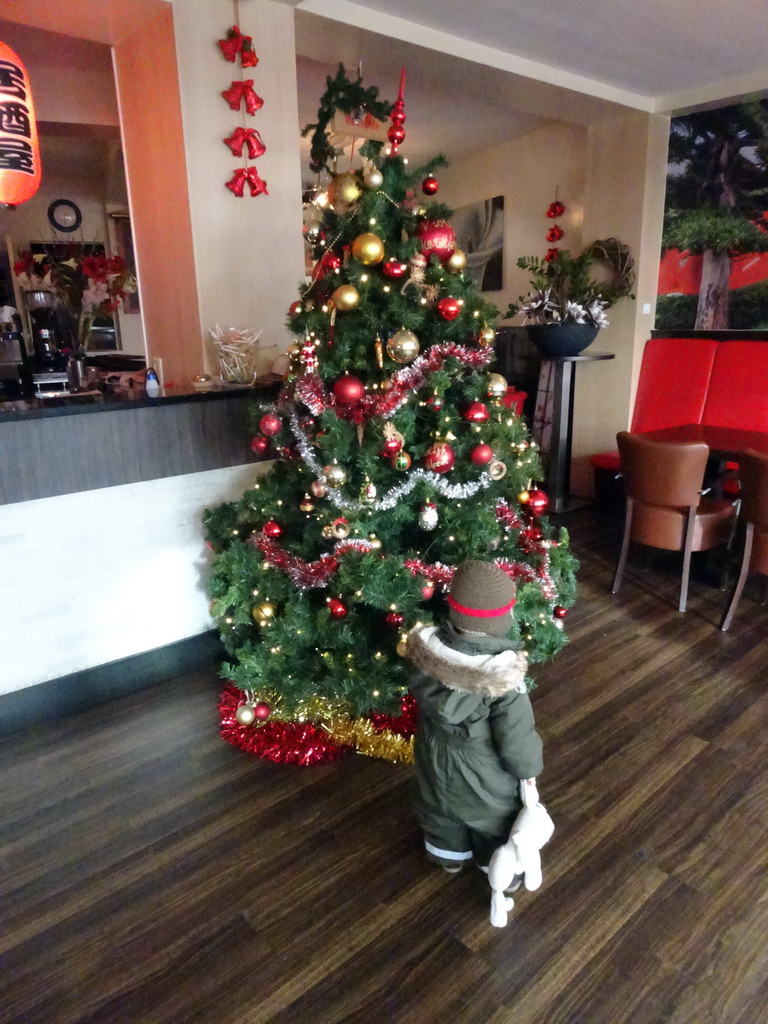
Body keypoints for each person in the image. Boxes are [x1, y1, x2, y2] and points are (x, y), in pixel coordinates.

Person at [404, 559, 544, 877]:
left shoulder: (425, 653)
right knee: (494, 820)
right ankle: (497, 870)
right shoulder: (503, 676)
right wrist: (530, 771)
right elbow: (516, 737)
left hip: (433, 758)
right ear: (503, 619)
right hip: (482, 775)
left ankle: (448, 856)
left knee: (439, 807)